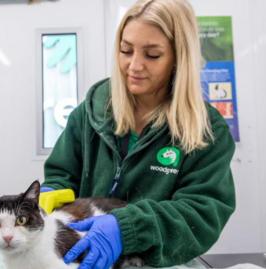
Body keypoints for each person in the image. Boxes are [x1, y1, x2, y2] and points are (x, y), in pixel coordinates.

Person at [41, 0, 236, 268]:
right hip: (90, 255)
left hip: (162, 262)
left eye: (152, 55)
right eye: (126, 50)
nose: (134, 65)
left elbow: (202, 212)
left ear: (179, 58)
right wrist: (54, 190)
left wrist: (128, 228)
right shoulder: (91, 112)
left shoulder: (206, 131)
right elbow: (62, 172)